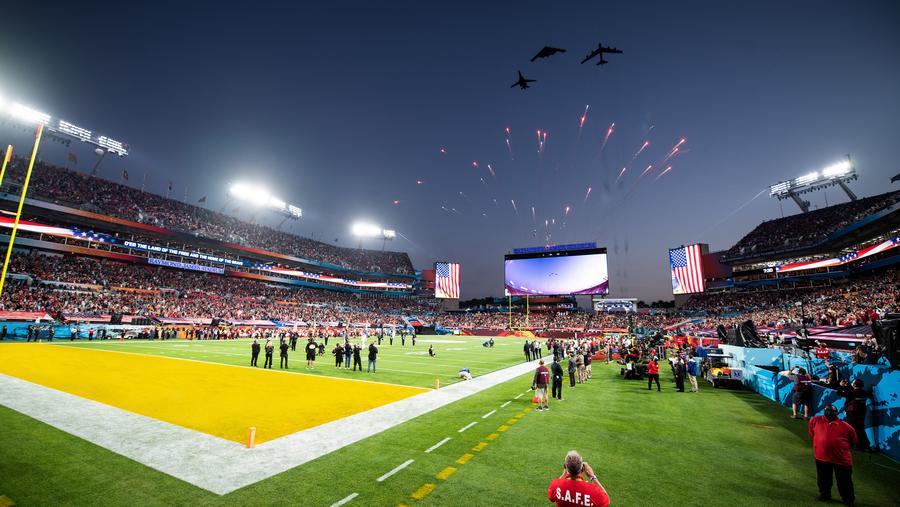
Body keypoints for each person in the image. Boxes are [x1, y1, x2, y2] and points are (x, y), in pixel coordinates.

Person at [809, 404, 857, 505]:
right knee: (823, 478)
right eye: (827, 411)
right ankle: (824, 494)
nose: (829, 413)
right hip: (821, 457)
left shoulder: (846, 427)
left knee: (844, 481)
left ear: (836, 413)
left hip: (841, 459)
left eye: (832, 412)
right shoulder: (815, 420)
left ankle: (848, 499)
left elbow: (853, 441)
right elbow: (812, 434)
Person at [839, 379, 871, 451]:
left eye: (853, 382)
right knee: (860, 428)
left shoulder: (851, 393)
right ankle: (864, 445)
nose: (851, 383)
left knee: (851, 428)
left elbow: (839, 393)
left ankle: (854, 445)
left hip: (852, 413)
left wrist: (841, 386)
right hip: (862, 412)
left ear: (855, 384)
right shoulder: (864, 392)